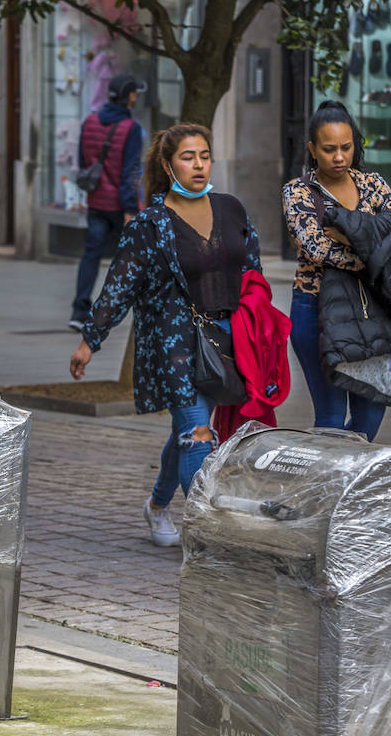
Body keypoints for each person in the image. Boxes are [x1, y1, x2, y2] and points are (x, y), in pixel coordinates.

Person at [69, 124, 262, 547]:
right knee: (196, 433)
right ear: (167, 164)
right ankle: (210, 536)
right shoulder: (150, 225)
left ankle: (157, 506)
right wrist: (90, 341)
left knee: (189, 433)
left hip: (227, 342)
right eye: (188, 156)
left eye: (204, 155)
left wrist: (260, 330)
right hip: (173, 347)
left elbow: (252, 273)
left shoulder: (232, 209)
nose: (198, 164)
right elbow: (119, 285)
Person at [281, 100, 391, 440]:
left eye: (346, 147)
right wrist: (370, 242)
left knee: (370, 413)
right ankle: (326, 491)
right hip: (316, 309)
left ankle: (335, 483)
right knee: (331, 416)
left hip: (372, 310)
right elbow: (318, 249)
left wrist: (348, 234)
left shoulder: (373, 184)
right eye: (329, 149)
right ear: (312, 149)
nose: (339, 157)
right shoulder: (298, 192)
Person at [68, 73, 146, 330]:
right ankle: (114, 311)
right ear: (130, 96)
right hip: (120, 205)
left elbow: (83, 160)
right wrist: (131, 208)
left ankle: (79, 312)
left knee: (91, 254)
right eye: (135, 92)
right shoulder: (130, 128)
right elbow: (131, 171)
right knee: (128, 258)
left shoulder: (89, 121)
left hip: (96, 201)